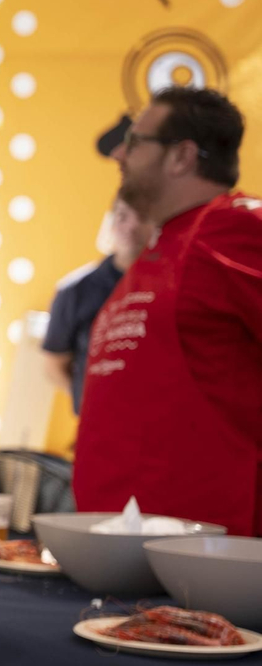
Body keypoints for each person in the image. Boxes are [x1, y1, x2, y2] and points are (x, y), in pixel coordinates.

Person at [76, 86, 262, 535]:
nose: (120, 153)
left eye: (137, 141)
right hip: (123, 551)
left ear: (181, 157)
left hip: (209, 560)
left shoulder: (234, 228)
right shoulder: (161, 246)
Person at [41, 197, 152, 415]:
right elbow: (54, 364)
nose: (131, 226)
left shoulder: (174, 285)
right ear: (111, 223)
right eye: (122, 216)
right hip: (100, 424)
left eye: (143, 217)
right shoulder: (75, 290)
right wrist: (89, 403)